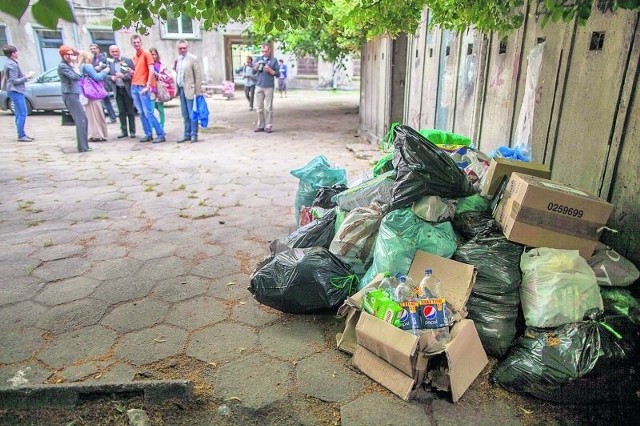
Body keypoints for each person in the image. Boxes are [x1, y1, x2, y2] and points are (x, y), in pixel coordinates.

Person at [130, 35, 166, 143]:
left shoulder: (146, 54)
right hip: (134, 85)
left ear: (141, 42)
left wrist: (148, 85)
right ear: (131, 44)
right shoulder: (135, 57)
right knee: (141, 112)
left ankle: (160, 134)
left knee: (148, 112)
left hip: (143, 86)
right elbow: (139, 70)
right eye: (134, 42)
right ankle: (148, 133)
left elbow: (151, 70)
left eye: (138, 42)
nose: (136, 44)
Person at [57, 45, 91, 152]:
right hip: (69, 94)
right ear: (63, 55)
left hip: (74, 94)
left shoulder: (68, 64)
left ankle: (84, 146)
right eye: (69, 54)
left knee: (83, 119)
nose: (71, 56)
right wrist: (76, 65)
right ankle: (83, 147)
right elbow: (76, 77)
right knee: (80, 120)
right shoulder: (63, 66)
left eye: (72, 54)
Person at [2, 44, 35, 141]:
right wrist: (27, 77)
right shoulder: (12, 64)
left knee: (18, 113)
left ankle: (21, 133)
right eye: (16, 52)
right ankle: (21, 135)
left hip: (12, 91)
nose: (17, 53)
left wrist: (24, 75)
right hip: (15, 90)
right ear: (13, 53)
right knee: (22, 112)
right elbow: (14, 80)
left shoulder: (8, 62)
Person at [173, 40, 203, 143]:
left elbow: (198, 76)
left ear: (188, 48)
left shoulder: (193, 59)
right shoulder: (178, 60)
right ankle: (187, 134)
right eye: (180, 48)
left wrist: (198, 92)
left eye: (184, 48)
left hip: (190, 90)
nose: (182, 50)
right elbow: (178, 74)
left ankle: (194, 134)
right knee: (184, 114)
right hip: (181, 89)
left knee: (192, 114)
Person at [78, 50, 109, 142]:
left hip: (85, 93)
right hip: (93, 94)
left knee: (89, 115)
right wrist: (105, 71)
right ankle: (98, 134)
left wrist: (96, 69)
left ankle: (91, 134)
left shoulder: (80, 66)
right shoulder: (88, 66)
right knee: (97, 114)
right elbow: (97, 77)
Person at [106, 44, 136, 139]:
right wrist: (111, 77)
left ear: (119, 51)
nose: (115, 53)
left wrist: (123, 76)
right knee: (121, 112)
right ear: (110, 53)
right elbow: (106, 75)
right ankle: (124, 131)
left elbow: (132, 74)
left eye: (116, 51)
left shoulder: (126, 60)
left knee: (130, 111)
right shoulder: (109, 63)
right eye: (113, 52)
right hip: (117, 89)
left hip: (127, 89)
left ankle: (132, 131)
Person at [253, 43, 279, 133]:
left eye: (266, 51)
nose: (264, 53)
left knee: (268, 108)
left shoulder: (273, 60)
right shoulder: (258, 59)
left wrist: (269, 70)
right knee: (259, 107)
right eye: (262, 51)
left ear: (269, 51)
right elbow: (253, 72)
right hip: (259, 85)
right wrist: (256, 67)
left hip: (269, 86)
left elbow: (277, 74)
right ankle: (260, 125)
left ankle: (268, 126)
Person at [90, 43, 117, 123]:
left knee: (106, 100)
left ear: (98, 49)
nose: (92, 50)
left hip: (104, 83)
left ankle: (112, 117)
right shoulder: (93, 59)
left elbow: (105, 68)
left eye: (94, 48)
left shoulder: (103, 58)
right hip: (96, 82)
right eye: (91, 49)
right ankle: (104, 118)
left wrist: (97, 69)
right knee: (102, 101)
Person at [149, 47, 170, 130]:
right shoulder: (147, 65)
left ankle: (161, 127)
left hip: (160, 89)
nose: (152, 56)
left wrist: (157, 75)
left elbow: (167, 76)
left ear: (157, 55)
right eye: (151, 54)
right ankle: (151, 128)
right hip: (150, 90)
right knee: (151, 110)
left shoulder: (161, 65)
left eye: (154, 54)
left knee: (161, 110)